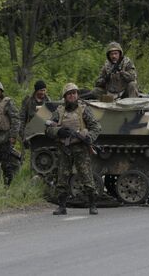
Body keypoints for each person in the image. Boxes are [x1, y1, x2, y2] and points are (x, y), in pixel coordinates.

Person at [45, 83, 102, 215]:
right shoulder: (59, 111)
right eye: (69, 94)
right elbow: (47, 129)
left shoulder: (84, 109)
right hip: (64, 148)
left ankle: (93, 205)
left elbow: (96, 127)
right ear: (65, 96)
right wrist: (58, 131)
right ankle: (62, 206)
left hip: (80, 148)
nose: (72, 96)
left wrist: (90, 138)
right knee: (62, 178)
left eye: (74, 93)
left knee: (86, 176)